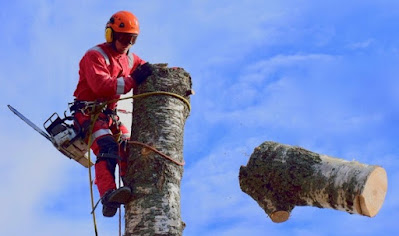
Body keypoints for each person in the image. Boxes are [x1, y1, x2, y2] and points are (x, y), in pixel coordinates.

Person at [72, 10, 154, 217]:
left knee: (129, 145)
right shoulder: (95, 56)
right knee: (107, 147)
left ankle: (131, 186)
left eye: (132, 39)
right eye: (124, 37)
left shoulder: (129, 59)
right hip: (89, 114)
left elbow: (146, 68)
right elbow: (102, 86)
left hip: (110, 115)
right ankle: (109, 195)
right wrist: (133, 80)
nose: (127, 43)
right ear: (111, 34)